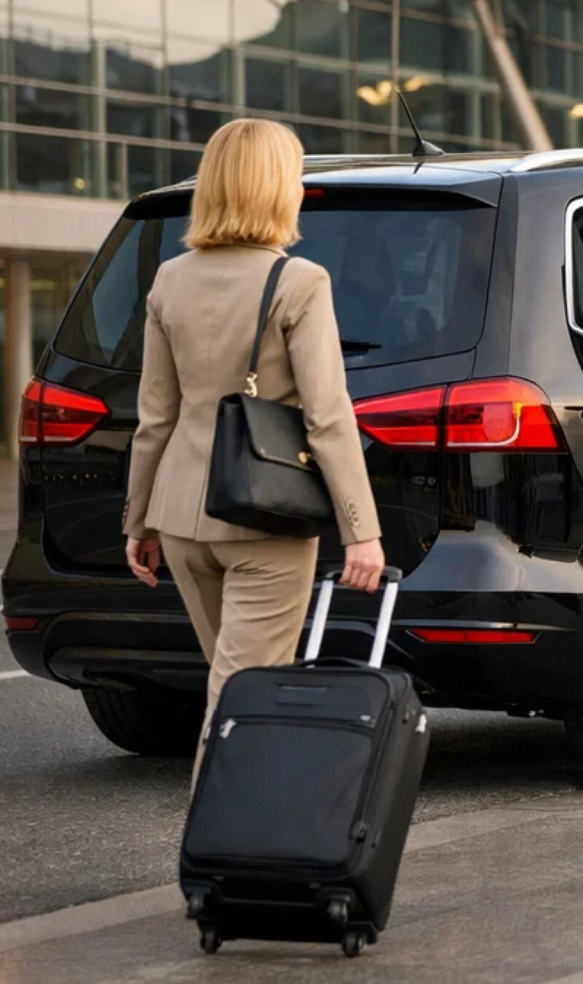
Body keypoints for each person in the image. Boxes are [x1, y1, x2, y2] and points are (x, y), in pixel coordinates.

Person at [122, 118, 386, 776]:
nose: (298, 188)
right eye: (293, 176)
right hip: (265, 522)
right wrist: (362, 532)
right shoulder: (301, 281)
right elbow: (327, 415)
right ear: (273, 190)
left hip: (183, 520)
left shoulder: (169, 280)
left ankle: (244, 845)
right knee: (242, 701)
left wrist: (139, 522)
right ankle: (221, 854)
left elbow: (154, 417)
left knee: (233, 680)